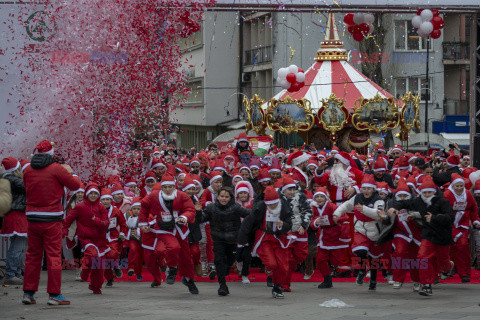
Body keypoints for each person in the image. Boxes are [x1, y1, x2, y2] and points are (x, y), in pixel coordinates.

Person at [22, 140, 80, 305]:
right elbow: (75, 185)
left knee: (33, 255)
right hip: (52, 218)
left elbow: (27, 188)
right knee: (54, 256)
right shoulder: (57, 169)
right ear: (51, 154)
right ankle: (54, 294)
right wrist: (72, 172)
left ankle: (28, 293)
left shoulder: (28, 170)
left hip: (32, 217)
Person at [388, 175, 454, 296]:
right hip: (428, 234)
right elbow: (404, 203)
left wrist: (434, 218)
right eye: (425, 192)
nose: (427, 195)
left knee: (443, 260)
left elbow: (450, 217)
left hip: (442, 235)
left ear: (434, 192)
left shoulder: (442, 202)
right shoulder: (418, 201)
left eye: (429, 192)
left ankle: (448, 267)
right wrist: (393, 207)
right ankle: (426, 285)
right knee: (422, 257)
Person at [139, 173, 199, 294]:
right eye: (165, 187)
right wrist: (143, 223)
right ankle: (172, 269)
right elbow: (144, 207)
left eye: (170, 187)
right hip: (163, 229)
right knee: (173, 247)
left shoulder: (182, 196)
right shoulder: (154, 196)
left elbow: (190, 209)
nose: (167, 190)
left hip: (179, 229)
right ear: (161, 187)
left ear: (174, 186)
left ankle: (189, 280)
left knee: (186, 257)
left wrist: (184, 217)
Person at [333, 174, 386, 291]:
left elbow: (378, 214)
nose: (366, 191)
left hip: (375, 232)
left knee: (374, 258)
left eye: (369, 188)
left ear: (373, 189)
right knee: (359, 250)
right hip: (360, 229)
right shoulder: (357, 198)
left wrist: (364, 209)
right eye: (364, 188)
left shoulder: (378, 200)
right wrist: (336, 213)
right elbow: (345, 205)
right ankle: (362, 270)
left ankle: (373, 281)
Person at [238, 186, 293, 299]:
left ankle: (277, 287)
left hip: (279, 238)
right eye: (270, 204)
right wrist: (242, 240)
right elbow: (247, 223)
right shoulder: (260, 207)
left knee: (283, 266)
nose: (272, 206)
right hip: (264, 238)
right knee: (272, 264)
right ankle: (269, 269)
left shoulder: (284, 206)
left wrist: (283, 225)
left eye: (274, 203)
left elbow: (289, 223)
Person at [197, 187, 251, 296]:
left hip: (233, 240)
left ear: (230, 198)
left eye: (226, 197)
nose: (224, 199)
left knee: (230, 261)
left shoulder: (236, 207)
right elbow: (201, 219)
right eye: (222, 196)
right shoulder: (211, 207)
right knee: (219, 260)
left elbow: (249, 214)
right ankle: (222, 286)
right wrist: (198, 211)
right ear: (217, 197)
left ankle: (226, 270)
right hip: (218, 239)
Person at [63, 184, 109, 294]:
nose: (93, 195)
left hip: (100, 239)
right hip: (86, 238)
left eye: (95, 193)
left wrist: (96, 220)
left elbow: (106, 224)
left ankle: (95, 286)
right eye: (91, 193)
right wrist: (64, 231)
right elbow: (68, 220)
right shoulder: (80, 207)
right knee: (91, 255)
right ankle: (84, 271)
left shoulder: (101, 207)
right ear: (87, 195)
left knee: (99, 266)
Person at [443, 174, 480, 282]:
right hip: (449, 225)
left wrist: (475, 220)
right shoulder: (447, 195)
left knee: (463, 246)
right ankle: (450, 268)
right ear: (453, 186)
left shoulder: (468, 194)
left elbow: (473, 208)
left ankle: (464, 273)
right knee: (449, 248)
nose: (459, 188)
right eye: (457, 186)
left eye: (461, 186)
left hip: (462, 225)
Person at [279, 176, 312, 292]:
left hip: (300, 231)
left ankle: (284, 274)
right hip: (285, 232)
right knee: (286, 259)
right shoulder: (278, 199)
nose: (292, 192)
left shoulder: (300, 197)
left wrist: (304, 225)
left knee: (301, 255)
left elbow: (307, 211)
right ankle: (284, 284)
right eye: (289, 189)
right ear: (284, 190)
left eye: (293, 189)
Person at [310, 187, 347, 289]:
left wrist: (337, 218)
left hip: (335, 235)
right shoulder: (314, 209)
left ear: (326, 198)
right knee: (320, 259)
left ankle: (332, 267)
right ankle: (327, 279)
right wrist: (315, 223)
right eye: (317, 197)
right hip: (323, 236)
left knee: (336, 259)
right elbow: (311, 223)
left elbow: (343, 217)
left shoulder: (332, 206)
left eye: (322, 196)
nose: (319, 199)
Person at [1, 157, 27, 285]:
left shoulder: (9, 179)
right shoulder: (12, 179)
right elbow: (28, 187)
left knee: (20, 247)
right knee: (17, 247)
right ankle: (10, 273)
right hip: (16, 215)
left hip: (17, 215)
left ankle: (15, 272)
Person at [100, 188, 127, 287]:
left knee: (112, 254)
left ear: (111, 200)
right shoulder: (97, 211)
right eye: (103, 200)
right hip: (101, 238)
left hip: (113, 236)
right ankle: (110, 279)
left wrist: (122, 234)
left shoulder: (116, 211)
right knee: (104, 261)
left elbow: (123, 224)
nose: (105, 202)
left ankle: (116, 266)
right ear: (100, 201)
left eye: (107, 199)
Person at [125, 198, 144, 280]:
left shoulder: (145, 216)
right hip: (132, 237)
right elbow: (123, 226)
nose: (136, 211)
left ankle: (138, 272)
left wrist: (139, 231)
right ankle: (131, 268)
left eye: (138, 209)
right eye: (134, 209)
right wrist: (129, 232)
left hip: (142, 239)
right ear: (131, 209)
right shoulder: (127, 215)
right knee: (133, 250)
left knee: (140, 255)